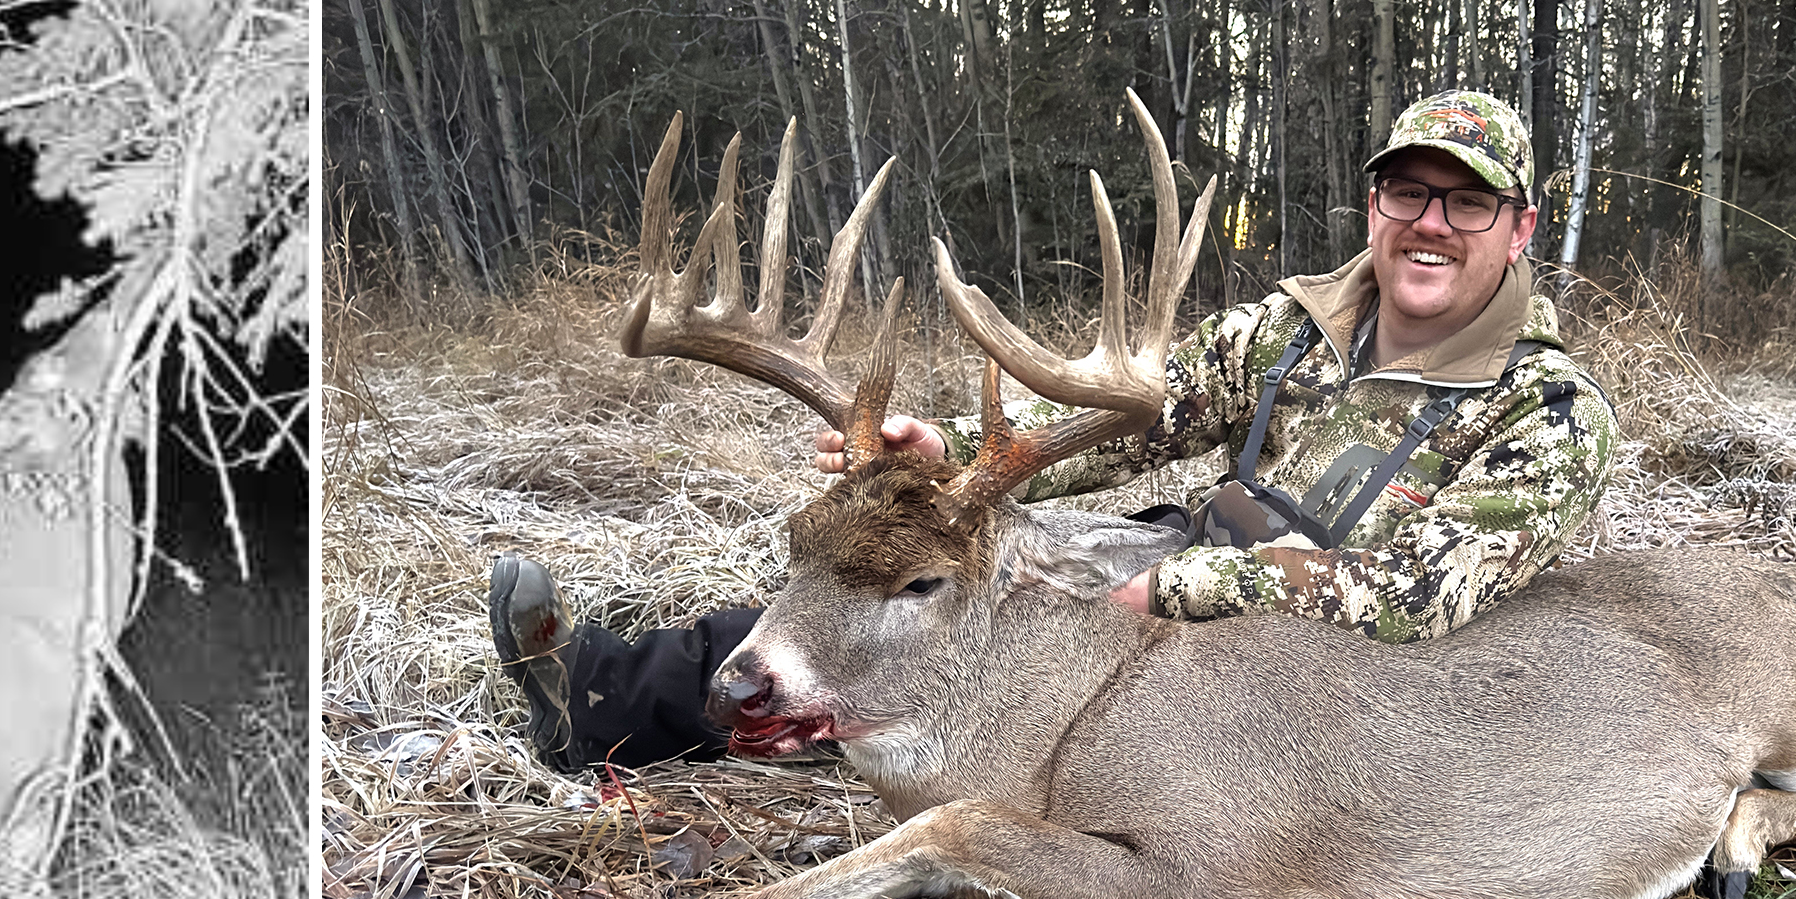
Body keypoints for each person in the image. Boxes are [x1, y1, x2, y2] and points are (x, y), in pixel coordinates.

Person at [491, 89, 1617, 776]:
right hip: (1176, 554)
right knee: (906, 580)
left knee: (983, 691)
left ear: (1516, 229)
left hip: (1323, 670)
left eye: (1465, 204)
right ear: (1375, 206)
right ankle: (594, 696)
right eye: (1407, 196)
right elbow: (1144, 411)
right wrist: (957, 467)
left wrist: (1174, 593)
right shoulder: (1298, 322)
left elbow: (1423, 597)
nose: (1429, 225)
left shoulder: (1550, 414)